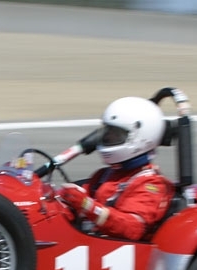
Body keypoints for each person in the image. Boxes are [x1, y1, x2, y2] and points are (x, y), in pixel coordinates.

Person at [56, 96, 175, 240]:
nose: (108, 138)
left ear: (140, 138)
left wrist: (87, 206)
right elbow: (74, 200)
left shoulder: (151, 184)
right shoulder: (106, 175)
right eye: (108, 132)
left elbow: (133, 228)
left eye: (116, 134)